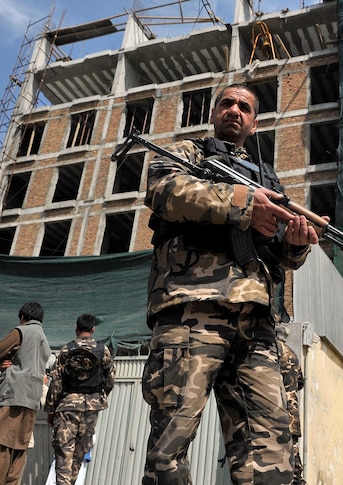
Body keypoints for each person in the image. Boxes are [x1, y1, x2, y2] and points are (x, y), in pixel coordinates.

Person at [140, 83, 322, 485]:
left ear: (254, 124)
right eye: (227, 103)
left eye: (244, 107)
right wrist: (242, 204)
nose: (234, 110)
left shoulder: (269, 179)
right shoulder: (190, 153)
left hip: (255, 322)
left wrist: (295, 247)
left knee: (271, 452)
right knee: (170, 452)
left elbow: (276, 257)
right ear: (215, 112)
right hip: (192, 310)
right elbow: (163, 190)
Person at [0, 302, 51, 485]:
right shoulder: (44, 341)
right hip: (31, 402)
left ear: (23, 317)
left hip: (11, 398)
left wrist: (3, 361)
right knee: (17, 456)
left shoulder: (21, 331)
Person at [44, 314, 114, 485]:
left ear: (76, 327)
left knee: (63, 453)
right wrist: (98, 397)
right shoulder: (102, 350)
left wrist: (51, 409)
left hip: (67, 407)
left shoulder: (67, 350)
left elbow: (57, 382)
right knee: (79, 454)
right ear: (93, 329)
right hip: (91, 408)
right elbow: (110, 379)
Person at [276, 326, 305, 485]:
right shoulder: (293, 355)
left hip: (277, 407)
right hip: (292, 410)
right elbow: (300, 382)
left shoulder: (274, 351)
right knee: (292, 451)